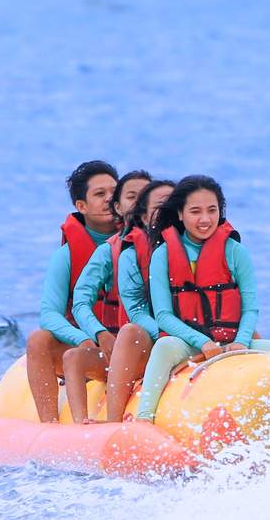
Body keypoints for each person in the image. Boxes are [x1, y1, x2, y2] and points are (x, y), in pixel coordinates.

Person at [136, 175, 270, 423]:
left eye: (212, 210)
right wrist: (203, 342)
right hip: (189, 344)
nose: (205, 219)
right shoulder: (163, 254)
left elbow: (250, 309)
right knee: (164, 347)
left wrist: (240, 342)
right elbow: (163, 316)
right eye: (195, 211)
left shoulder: (235, 251)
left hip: (231, 343)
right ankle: (144, 418)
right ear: (180, 214)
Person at [25, 160, 121, 423]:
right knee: (38, 339)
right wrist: (84, 339)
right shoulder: (66, 256)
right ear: (81, 206)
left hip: (130, 343)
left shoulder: (140, 243)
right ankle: (49, 424)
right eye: (99, 194)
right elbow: (49, 314)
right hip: (88, 349)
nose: (109, 199)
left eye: (114, 192)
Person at [61, 170, 155, 423]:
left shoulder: (178, 245)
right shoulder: (108, 252)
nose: (140, 204)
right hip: (127, 345)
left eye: (147, 197)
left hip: (169, 340)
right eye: (132, 197)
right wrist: (100, 333)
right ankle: (83, 426)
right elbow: (81, 301)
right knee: (73, 356)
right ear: (118, 206)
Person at [102, 178, 176, 421]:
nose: (168, 212)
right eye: (160, 206)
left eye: (174, 205)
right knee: (131, 331)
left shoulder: (199, 251)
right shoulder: (131, 256)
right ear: (144, 217)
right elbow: (136, 311)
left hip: (198, 338)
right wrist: (169, 334)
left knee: (253, 335)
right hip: (156, 339)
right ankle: (113, 421)